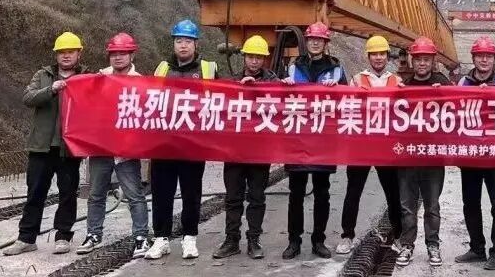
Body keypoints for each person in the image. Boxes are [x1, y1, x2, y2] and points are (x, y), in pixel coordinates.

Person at [4, 32, 88, 256]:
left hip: (69, 147)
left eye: (70, 51)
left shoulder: (86, 78)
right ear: (56, 55)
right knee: (35, 193)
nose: (66, 56)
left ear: (79, 53)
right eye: (62, 52)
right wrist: (51, 90)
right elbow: (28, 98)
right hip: (41, 146)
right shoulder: (43, 75)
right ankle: (26, 238)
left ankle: (63, 236)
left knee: (67, 194)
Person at [145, 19, 218, 261]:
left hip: (193, 144)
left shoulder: (209, 69)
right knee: (161, 193)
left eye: (187, 41)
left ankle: (189, 237)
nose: (183, 45)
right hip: (164, 142)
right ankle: (161, 238)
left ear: (196, 44)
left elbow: (223, 100)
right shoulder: (162, 68)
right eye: (179, 41)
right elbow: (149, 100)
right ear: (173, 44)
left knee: (191, 193)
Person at [76, 33, 149, 258]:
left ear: (131, 55)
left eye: (123, 53)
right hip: (101, 147)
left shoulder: (140, 82)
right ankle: (93, 234)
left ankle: (141, 237)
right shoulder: (99, 78)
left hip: (126, 150)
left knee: (134, 195)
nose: (118, 57)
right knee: (96, 194)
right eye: (114, 54)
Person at [281, 22, 346, 260]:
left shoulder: (336, 69)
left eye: (320, 40)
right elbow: (279, 100)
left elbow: (349, 102)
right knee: (296, 193)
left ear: (326, 43)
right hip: (298, 138)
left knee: (322, 193)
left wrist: (338, 89)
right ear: (306, 42)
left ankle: (318, 240)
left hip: (323, 139)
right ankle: (294, 241)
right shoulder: (293, 67)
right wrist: (284, 87)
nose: (315, 43)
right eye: (312, 39)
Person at [213, 35, 278, 260]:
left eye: (259, 57)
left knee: (257, 197)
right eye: (251, 56)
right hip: (235, 151)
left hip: (260, 151)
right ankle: (231, 240)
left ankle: (254, 239)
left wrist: (260, 88)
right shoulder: (232, 82)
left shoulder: (274, 83)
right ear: (244, 57)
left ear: (264, 59)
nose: (254, 61)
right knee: (233, 197)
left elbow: (282, 107)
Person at [337, 35, 404, 255]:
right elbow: (347, 107)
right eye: (374, 54)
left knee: (393, 193)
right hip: (362, 145)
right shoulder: (357, 79)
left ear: (387, 56)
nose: (378, 57)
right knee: (353, 191)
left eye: (382, 53)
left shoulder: (396, 81)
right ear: (368, 56)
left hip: (386, 145)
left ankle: (399, 234)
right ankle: (347, 235)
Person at [455, 36, 495, 271]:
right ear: (473, 58)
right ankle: (477, 248)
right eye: (480, 55)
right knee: (471, 203)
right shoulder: (462, 83)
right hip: (470, 154)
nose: (484, 60)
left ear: (494, 59)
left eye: (488, 56)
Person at [395, 36, 451, 268]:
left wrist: (444, 94)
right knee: (407, 204)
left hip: (433, 154)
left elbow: (459, 107)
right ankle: (407, 245)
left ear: (432, 61)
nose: (422, 63)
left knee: (432, 205)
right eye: (418, 59)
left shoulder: (443, 83)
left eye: (426, 59)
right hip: (408, 155)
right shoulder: (403, 86)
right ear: (412, 60)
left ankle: (432, 244)